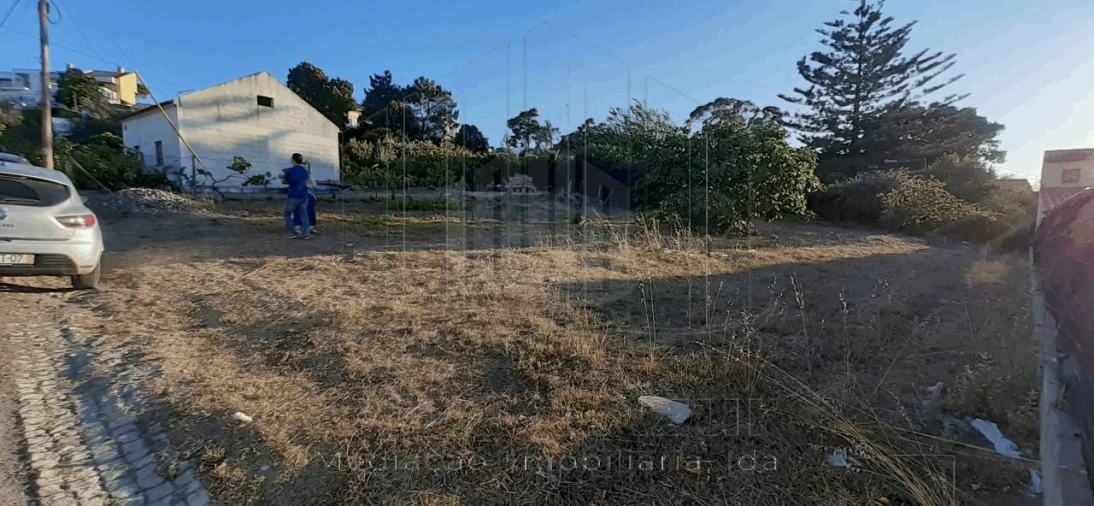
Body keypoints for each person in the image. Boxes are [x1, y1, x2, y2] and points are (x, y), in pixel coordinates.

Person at [282, 153, 311, 239]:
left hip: (293, 196)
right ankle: (306, 234)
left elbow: (284, 181)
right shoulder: (306, 171)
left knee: (287, 214)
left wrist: (290, 181)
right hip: (304, 196)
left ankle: (292, 232)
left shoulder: (289, 170)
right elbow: (306, 181)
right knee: (304, 214)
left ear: (293, 160)